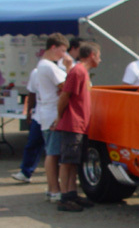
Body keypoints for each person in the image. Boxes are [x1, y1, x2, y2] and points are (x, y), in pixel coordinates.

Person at [55, 42, 101, 212]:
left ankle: (72, 193)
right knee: (67, 161)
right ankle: (64, 197)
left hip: (80, 124)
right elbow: (64, 96)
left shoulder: (83, 72)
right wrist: (60, 118)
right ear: (92, 55)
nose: (100, 60)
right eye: (99, 56)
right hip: (73, 124)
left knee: (75, 161)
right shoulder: (78, 71)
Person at [36, 33, 69, 203]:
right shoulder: (48, 66)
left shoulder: (44, 65)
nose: (63, 55)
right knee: (53, 153)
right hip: (52, 113)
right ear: (53, 47)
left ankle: (52, 188)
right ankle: (54, 189)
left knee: (52, 152)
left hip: (48, 112)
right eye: (62, 51)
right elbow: (67, 86)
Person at [11, 68, 45, 183]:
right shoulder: (36, 72)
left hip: (54, 117)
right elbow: (32, 93)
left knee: (54, 151)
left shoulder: (60, 72)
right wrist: (29, 111)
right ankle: (26, 172)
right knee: (32, 144)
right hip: (39, 115)